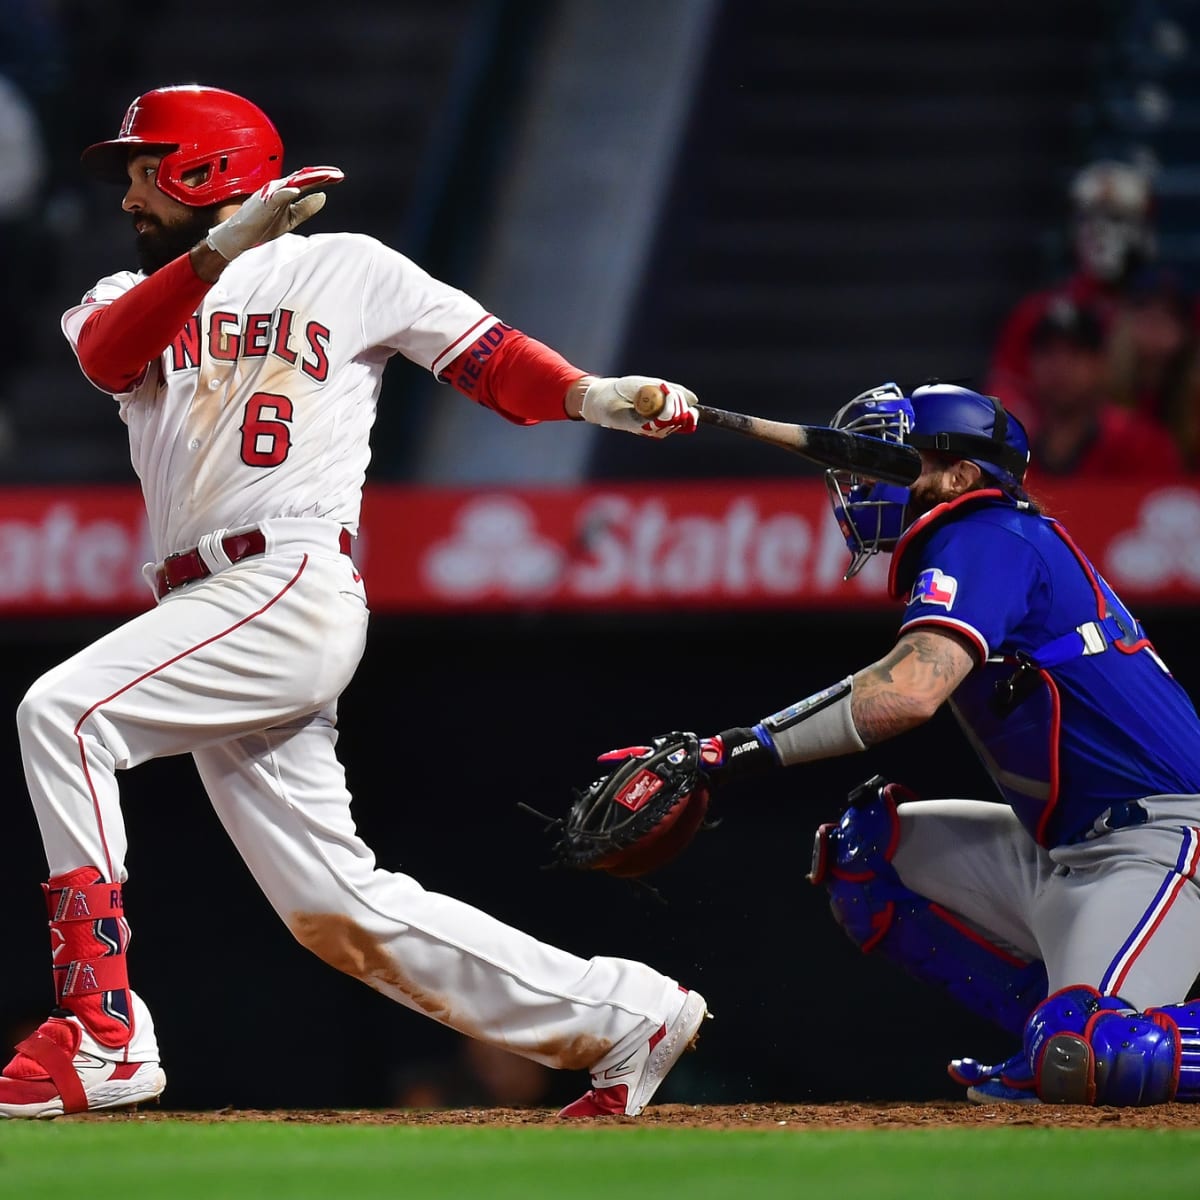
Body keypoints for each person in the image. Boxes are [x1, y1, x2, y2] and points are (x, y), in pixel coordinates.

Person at [0, 84, 709, 1120]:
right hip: (209, 602)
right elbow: (111, 356)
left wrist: (593, 396)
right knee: (333, 907)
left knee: (61, 715)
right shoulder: (120, 292)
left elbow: (490, 358)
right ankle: (623, 1016)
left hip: (283, 578)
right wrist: (215, 254)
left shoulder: (349, 266)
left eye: (145, 168)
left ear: (204, 169)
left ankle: (104, 1029)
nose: (128, 196)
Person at [601, 382, 1200, 1106]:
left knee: (1100, 1052)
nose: (862, 476)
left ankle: (1074, 1040)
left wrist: (729, 752)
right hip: (1069, 848)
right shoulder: (981, 537)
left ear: (962, 476)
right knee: (864, 853)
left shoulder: (988, 531)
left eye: (893, 457)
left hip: (1164, 838)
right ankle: (1049, 1036)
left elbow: (906, 693)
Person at [986, 160, 1158, 426]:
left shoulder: (1165, 312)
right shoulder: (1037, 312)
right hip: (1059, 455)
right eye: (1088, 217)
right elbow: (1004, 392)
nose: (1102, 231)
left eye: (1116, 217)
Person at [1020, 297, 1184, 489]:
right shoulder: (1010, 448)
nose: (1059, 366)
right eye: (1047, 353)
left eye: (1076, 354)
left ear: (1101, 364)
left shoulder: (1143, 445)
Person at [1108, 266, 1200, 470]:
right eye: (1145, 314)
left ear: (1186, 331)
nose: (1155, 327)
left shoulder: (1194, 402)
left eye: (1168, 317)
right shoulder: (1099, 389)